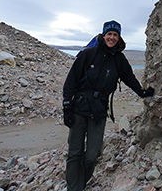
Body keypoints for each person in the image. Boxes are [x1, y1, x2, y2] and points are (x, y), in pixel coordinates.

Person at [62, 20, 154, 191]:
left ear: (119, 38)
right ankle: (74, 188)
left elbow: (129, 78)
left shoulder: (119, 60)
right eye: (109, 34)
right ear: (103, 35)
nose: (112, 37)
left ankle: (79, 183)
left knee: (93, 154)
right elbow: (71, 81)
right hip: (79, 107)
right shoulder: (88, 54)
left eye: (115, 35)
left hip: (99, 109)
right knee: (75, 152)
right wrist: (67, 106)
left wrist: (142, 92)